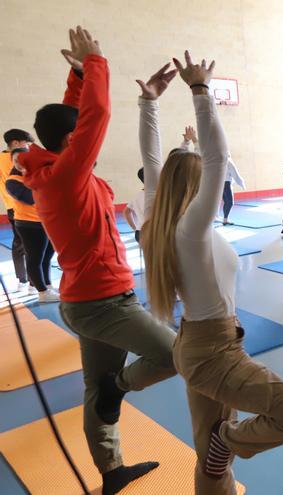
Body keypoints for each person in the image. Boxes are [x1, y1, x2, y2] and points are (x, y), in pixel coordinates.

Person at [139, 54, 283, 494]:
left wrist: (149, 105)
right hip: (214, 353)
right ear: (195, 188)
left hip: (197, 346)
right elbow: (218, 159)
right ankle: (230, 440)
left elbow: (151, 160)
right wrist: (201, 92)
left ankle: (220, 452)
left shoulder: (157, 224)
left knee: (210, 465)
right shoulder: (191, 231)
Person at [19, 27, 177, 494]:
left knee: (96, 388)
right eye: (79, 137)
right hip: (103, 303)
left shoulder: (50, 167)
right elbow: (96, 114)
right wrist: (95, 65)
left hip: (87, 302)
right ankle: (120, 388)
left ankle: (111, 472)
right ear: (71, 141)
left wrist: (75, 76)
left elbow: (70, 121)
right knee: (175, 355)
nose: (88, 141)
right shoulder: (66, 175)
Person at [5, 149, 58, 302]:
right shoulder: (13, 181)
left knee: (47, 256)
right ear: (12, 161)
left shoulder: (38, 174)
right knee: (34, 258)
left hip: (47, 221)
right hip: (29, 224)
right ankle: (41, 291)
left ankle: (47, 285)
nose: (21, 163)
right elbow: (32, 198)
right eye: (17, 160)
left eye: (25, 159)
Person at [180, 126, 245, 225]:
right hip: (209, 183)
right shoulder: (207, 158)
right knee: (211, 202)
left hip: (220, 183)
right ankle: (214, 217)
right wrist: (191, 139)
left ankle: (222, 217)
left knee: (222, 201)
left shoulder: (225, 159)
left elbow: (235, 174)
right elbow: (198, 152)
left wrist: (189, 140)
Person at [1, 129, 32, 292]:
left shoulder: (27, 156)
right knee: (22, 243)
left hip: (32, 207)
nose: (27, 146)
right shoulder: (3, 160)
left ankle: (32, 282)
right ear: (15, 143)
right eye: (25, 143)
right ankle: (24, 280)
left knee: (31, 245)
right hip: (16, 207)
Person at [123, 168, 146, 243]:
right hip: (151, 233)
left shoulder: (137, 196)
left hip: (140, 232)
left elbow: (126, 212)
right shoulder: (156, 195)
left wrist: (135, 228)